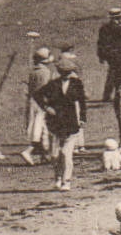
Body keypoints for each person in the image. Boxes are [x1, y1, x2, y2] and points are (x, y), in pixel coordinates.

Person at [38, 53, 88, 191]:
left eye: (68, 72)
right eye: (64, 72)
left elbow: (82, 102)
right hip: (55, 123)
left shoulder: (77, 84)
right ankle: (58, 178)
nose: (66, 74)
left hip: (71, 122)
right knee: (55, 155)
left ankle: (67, 180)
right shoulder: (53, 84)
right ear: (60, 72)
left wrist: (83, 118)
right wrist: (47, 107)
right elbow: (37, 94)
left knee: (66, 153)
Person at [22, 41, 54, 165]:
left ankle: (44, 155)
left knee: (37, 127)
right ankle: (30, 151)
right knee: (42, 128)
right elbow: (46, 90)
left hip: (32, 102)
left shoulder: (33, 72)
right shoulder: (45, 72)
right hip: (41, 102)